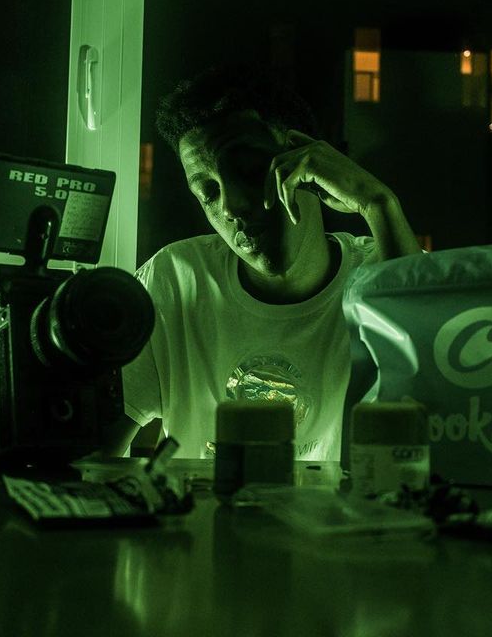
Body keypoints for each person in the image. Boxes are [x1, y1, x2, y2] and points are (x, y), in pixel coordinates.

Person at [104, 64, 421, 460]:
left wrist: (377, 203)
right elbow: (96, 458)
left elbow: (433, 402)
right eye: (209, 193)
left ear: (311, 164)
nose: (231, 206)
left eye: (251, 172)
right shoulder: (176, 280)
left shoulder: (386, 273)